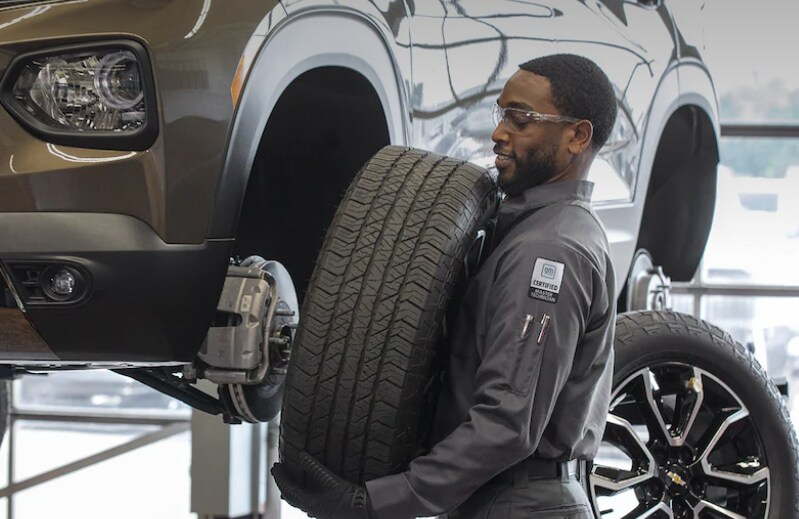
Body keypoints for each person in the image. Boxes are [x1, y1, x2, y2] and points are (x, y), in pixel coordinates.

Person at [272, 53, 618, 519]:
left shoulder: (550, 251)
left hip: (519, 503)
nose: (499, 132)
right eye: (501, 115)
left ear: (578, 135)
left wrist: (373, 503)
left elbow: (507, 424)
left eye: (521, 119)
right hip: (502, 500)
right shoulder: (535, 231)